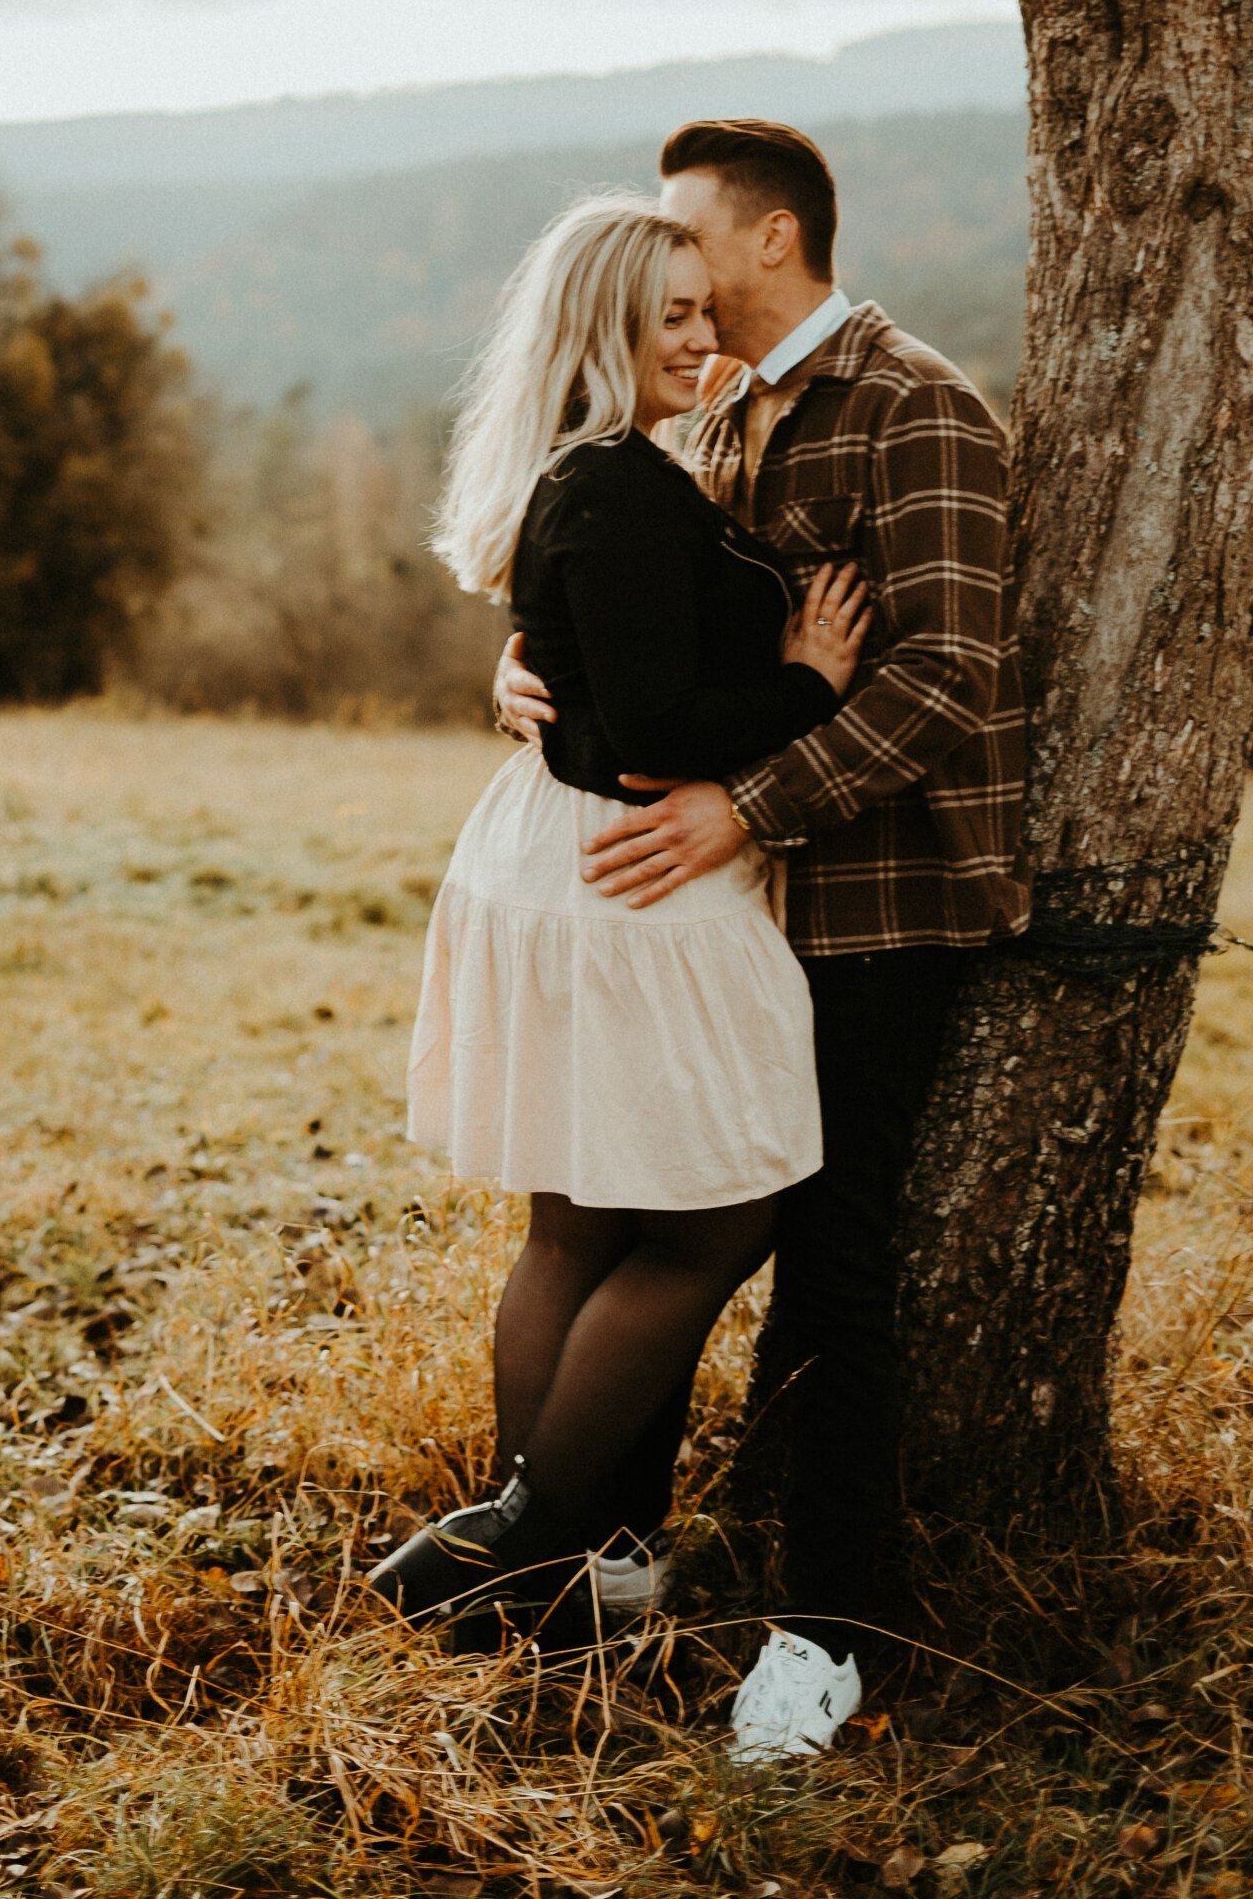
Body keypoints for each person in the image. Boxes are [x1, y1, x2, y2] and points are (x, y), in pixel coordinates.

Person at [493, 120, 1026, 1763]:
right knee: (647, 1204)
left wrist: (752, 806)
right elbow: (642, 622)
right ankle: (605, 1551)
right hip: (711, 909)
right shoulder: (716, 409)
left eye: (691, 236)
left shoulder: (916, 406)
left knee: (836, 1266)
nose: (674, 269)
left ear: (775, 237)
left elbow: (947, 678)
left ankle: (828, 1632)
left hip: (870, 903)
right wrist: (524, 672)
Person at [371, 192, 870, 1653]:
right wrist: (808, 683)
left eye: (705, 311)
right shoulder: (618, 485)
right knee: (719, 1214)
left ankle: (536, 1575)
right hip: (628, 875)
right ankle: (522, 1535)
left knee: (582, 1222)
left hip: (569, 857)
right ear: (601, 329)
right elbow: (653, 735)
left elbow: (594, 671)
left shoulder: (600, 471)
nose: (700, 338)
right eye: (670, 317)